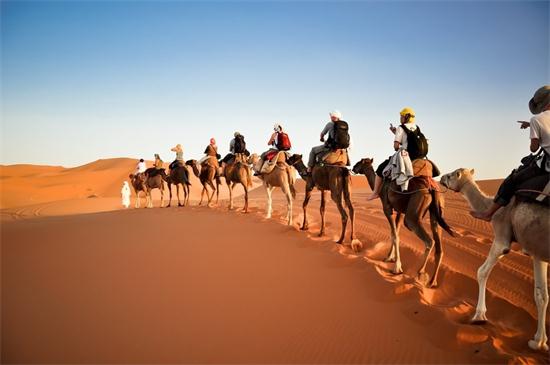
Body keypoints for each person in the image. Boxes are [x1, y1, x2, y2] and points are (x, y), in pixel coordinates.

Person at [471, 85, 550, 221]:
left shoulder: (536, 120)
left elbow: (534, 149)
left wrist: (534, 133)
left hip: (547, 164)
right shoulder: (535, 122)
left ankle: (488, 214)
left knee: (513, 179)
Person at [367, 107, 419, 200]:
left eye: (402, 116)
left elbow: (396, 146)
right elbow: (408, 140)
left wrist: (397, 146)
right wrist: (395, 132)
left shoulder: (401, 127)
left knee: (380, 168)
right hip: (417, 156)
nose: (400, 118)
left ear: (406, 117)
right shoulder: (416, 127)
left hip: (405, 155)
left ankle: (375, 192)